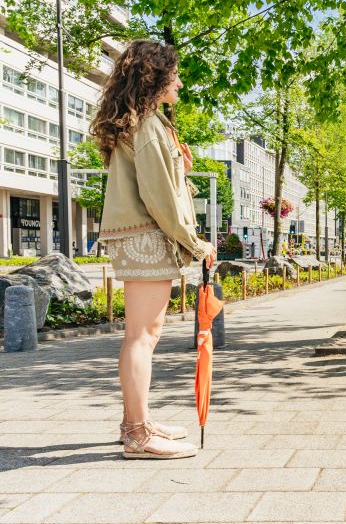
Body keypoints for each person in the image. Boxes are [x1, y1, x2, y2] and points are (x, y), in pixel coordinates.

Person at [92, 40, 216, 460]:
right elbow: (160, 196)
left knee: (143, 335)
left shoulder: (142, 123)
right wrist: (197, 244)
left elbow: (162, 184)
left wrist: (180, 168)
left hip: (140, 234)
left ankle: (134, 423)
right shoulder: (147, 125)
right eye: (174, 74)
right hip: (146, 236)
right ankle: (139, 435)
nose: (179, 81)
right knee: (142, 337)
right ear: (155, 76)